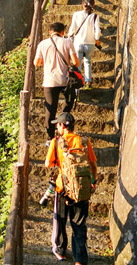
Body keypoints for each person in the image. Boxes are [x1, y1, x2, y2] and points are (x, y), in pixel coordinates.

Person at [45, 112, 98, 264]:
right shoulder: (84, 141)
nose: (56, 126)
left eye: (58, 124)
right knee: (79, 225)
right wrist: (93, 181)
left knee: (60, 221)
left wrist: (57, 159)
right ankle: (80, 260)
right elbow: (93, 165)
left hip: (63, 189)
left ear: (62, 125)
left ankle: (61, 251)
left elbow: (48, 163)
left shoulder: (57, 142)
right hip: (81, 189)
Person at [34, 22, 79, 144]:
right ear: (63, 32)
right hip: (65, 81)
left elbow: (36, 62)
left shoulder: (42, 44)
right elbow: (76, 62)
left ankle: (50, 138)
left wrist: (47, 63)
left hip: (49, 82)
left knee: (50, 110)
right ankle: (63, 119)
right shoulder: (68, 42)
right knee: (70, 101)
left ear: (50, 32)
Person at [68, 0, 102, 90]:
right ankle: (88, 82)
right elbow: (97, 30)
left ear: (82, 5)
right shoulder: (95, 16)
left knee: (77, 64)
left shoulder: (76, 14)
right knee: (88, 62)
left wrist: (69, 37)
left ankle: (76, 87)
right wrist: (97, 39)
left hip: (78, 43)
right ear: (93, 5)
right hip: (90, 44)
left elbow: (72, 28)